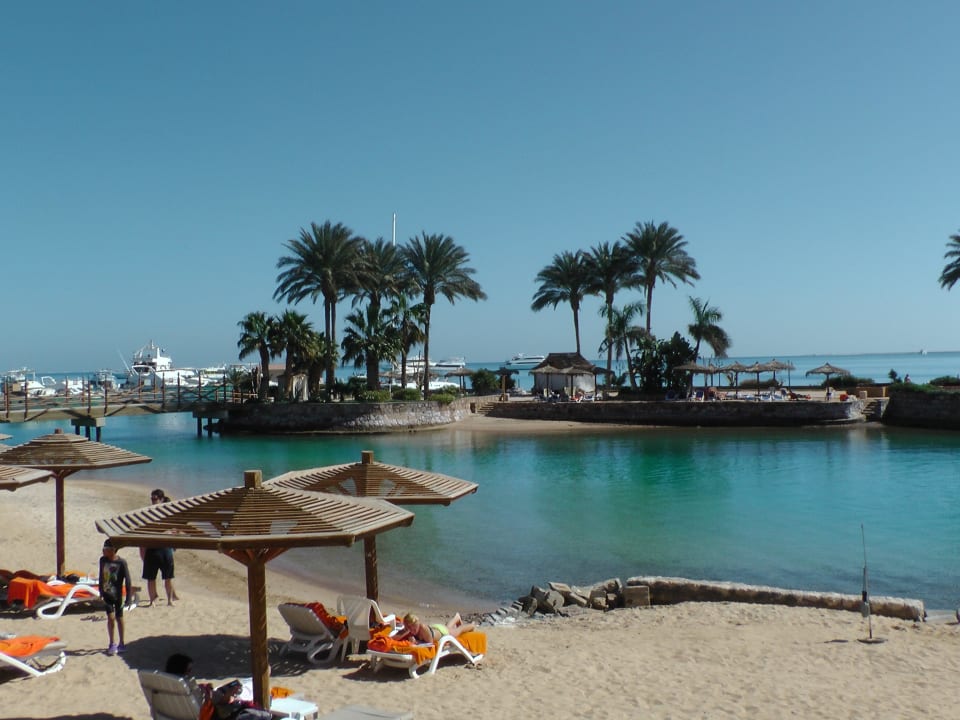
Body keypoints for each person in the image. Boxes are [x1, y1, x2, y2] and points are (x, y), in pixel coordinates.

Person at [141, 488, 179, 606]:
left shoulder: (168, 513)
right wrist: (142, 550)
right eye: (151, 499)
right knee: (150, 578)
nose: (153, 501)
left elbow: (175, 530)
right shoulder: (148, 513)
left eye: (155, 499)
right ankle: (152, 601)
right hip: (151, 548)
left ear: (161, 499)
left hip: (165, 549)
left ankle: (170, 600)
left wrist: (174, 544)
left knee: (168, 577)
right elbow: (143, 532)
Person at [99, 539, 133, 656]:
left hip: (117, 595)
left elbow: (128, 580)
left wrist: (128, 597)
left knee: (120, 618)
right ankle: (112, 643)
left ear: (113, 550)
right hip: (107, 594)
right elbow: (101, 575)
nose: (103, 551)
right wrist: (100, 590)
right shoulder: (102, 560)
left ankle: (122, 643)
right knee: (110, 618)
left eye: (106, 549)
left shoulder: (121, 563)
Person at [395, 611, 475, 645]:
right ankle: (456, 617)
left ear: (417, 624)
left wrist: (417, 641)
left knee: (458, 630)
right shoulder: (411, 629)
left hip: (443, 633)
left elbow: (430, 643)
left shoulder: (422, 628)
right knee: (448, 627)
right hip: (435, 629)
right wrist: (407, 632)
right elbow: (396, 637)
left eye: (413, 628)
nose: (412, 631)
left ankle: (472, 625)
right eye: (409, 628)